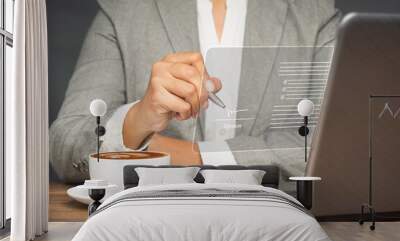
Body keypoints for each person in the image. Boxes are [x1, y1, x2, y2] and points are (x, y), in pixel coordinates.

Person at [50, 0, 341, 183]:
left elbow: (331, 148)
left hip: (275, 232)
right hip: (149, 229)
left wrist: (193, 155)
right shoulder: (124, 10)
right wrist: (138, 120)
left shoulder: (314, 14)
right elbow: (66, 146)